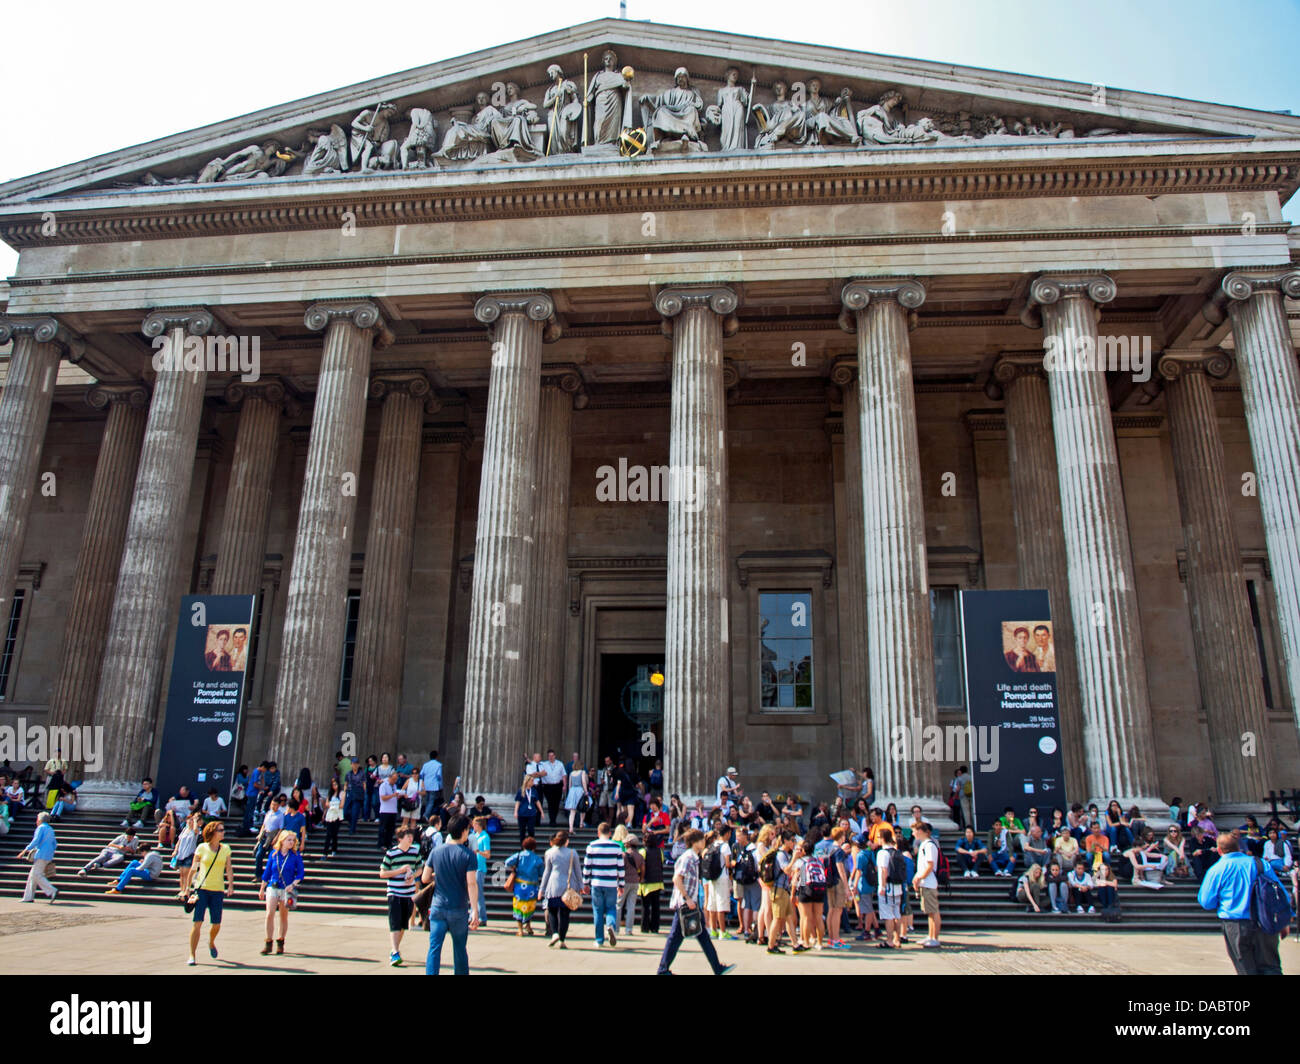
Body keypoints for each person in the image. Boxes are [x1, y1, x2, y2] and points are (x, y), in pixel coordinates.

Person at [1197, 832, 1288, 975]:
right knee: (1271, 967)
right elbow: (1280, 893)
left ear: (1219, 850)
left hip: (1236, 924)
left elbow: (1207, 902)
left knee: (1246, 970)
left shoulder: (1217, 870)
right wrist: (1286, 919)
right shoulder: (1260, 864)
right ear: (1239, 848)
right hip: (1264, 921)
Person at [656, 828, 735, 975]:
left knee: (695, 936)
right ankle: (663, 969)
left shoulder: (694, 857)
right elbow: (677, 879)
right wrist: (687, 898)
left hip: (689, 903)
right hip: (685, 904)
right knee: (679, 937)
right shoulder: (688, 858)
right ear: (695, 842)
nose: (704, 842)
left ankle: (717, 968)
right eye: (702, 840)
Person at [419, 814, 480, 975]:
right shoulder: (468, 855)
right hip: (458, 908)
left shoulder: (436, 852)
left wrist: (439, 875)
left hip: (438, 906)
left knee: (434, 948)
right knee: (459, 949)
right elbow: (471, 883)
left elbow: (425, 878)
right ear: (464, 831)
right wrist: (475, 909)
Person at [187, 821, 234, 965]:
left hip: (218, 889)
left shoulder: (225, 849)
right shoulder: (201, 848)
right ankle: (192, 955)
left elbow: (229, 868)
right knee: (197, 922)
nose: (223, 832)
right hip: (202, 889)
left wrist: (231, 885)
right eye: (220, 830)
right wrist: (187, 887)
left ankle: (211, 941)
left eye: (223, 829)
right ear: (213, 832)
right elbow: (194, 868)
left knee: (216, 924)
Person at [380, 826, 422, 966]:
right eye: (407, 836)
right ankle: (395, 950)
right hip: (394, 892)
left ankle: (395, 949)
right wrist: (400, 871)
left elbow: (420, 868)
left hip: (409, 893)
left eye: (411, 836)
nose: (410, 839)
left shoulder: (414, 852)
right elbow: (382, 873)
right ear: (400, 839)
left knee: (403, 923)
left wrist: (413, 876)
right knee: (395, 922)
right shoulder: (391, 853)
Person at [259, 830, 304, 955]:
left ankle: (281, 941)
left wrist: (293, 884)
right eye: (288, 840)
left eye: (293, 840)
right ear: (282, 841)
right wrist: (262, 887)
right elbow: (267, 871)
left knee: (283, 915)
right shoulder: (274, 854)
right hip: (273, 886)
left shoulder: (295, 855)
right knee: (270, 913)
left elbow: (300, 873)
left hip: (286, 888)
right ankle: (268, 941)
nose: (291, 842)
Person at [583, 821, 626, 947]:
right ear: (610, 833)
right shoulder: (616, 847)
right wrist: (621, 885)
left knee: (598, 911)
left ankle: (599, 939)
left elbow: (587, 867)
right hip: (611, 883)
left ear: (598, 832)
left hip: (596, 882)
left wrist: (585, 883)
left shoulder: (591, 846)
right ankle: (611, 925)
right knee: (611, 908)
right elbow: (621, 868)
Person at [539, 829, 583, 948]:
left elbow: (546, 872)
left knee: (552, 911)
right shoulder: (573, 853)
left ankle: (554, 933)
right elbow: (578, 871)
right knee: (565, 914)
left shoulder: (549, 852)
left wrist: (541, 889)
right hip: (568, 886)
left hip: (553, 885)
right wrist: (581, 886)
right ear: (566, 841)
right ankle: (562, 939)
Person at [504, 835, 545, 936]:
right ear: (534, 847)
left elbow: (506, 862)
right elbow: (542, 873)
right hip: (532, 886)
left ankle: (520, 929)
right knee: (529, 906)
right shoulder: (537, 859)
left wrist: (514, 868)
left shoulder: (518, 855)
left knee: (518, 906)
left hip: (519, 886)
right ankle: (528, 925)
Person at [913, 821, 942, 947]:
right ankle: (930, 935)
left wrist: (920, 877)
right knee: (929, 911)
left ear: (920, 831)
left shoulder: (929, 845)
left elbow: (930, 865)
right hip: (925, 882)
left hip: (929, 882)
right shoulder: (924, 844)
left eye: (914, 831)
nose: (913, 834)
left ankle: (935, 937)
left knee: (933, 910)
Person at [18, 811, 59, 903]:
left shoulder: (41, 828)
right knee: (32, 876)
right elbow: (55, 844)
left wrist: (25, 850)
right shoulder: (50, 829)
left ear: (40, 820)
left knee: (37, 875)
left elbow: (36, 840)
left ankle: (52, 890)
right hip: (48, 854)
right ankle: (28, 896)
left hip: (41, 853)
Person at [875, 827, 905, 949]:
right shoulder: (896, 851)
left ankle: (889, 940)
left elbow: (883, 870)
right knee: (897, 914)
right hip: (897, 886)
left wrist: (882, 886)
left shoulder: (882, 853)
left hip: (887, 888)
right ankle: (897, 939)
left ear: (882, 838)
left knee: (888, 915)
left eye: (878, 837)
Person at [251, 794, 286, 882]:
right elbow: (264, 824)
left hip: (273, 837)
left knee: (272, 858)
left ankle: (270, 876)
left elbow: (281, 828)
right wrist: (260, 834)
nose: (273, 806)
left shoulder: (280, 815)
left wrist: (276, 839)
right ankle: (258, 875)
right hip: (265, 836)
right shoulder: (268, 813)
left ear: (278, 805)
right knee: (259, 855)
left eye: (275, 805)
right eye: (272, 804)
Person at [173, 811, 202, 898]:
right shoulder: (185, 830)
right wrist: (175, 850)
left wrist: (196, 820)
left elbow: (196, 830)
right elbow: (179, 841)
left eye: (191, 820)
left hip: (189, 854)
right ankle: (181, 890)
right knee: (181, 874)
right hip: (181, 854)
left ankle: (186, 890)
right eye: (189, 820)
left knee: (187, 873)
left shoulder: (195, 831)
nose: (190, 821)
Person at [377, 768, 400, 852]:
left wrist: (397, 796)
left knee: (391, 828)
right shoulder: (384, 785)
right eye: (394, 779)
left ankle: (388, 843)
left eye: (396, 779)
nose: (395, 781)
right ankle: (381, 843)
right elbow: (383, 797)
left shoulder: (394, 786)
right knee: (383, 828)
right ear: (390, 778)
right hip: (385, 810)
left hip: (393, 810)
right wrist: (392, 795)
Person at [514, 775, 542, 844]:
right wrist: (515, 812)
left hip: (531, 813)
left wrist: (541, 811)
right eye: (532, 780)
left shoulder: (534, 790)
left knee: (531, 830)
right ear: (527, 781)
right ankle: (522, 847)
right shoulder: (521, 790)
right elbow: (518, 802)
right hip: (522, 813)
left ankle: (531, 846)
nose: (533, 782)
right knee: (522, 831)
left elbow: (537, 801)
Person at [564, 758, 588, 833]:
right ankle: (581, 823)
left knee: (572, 811)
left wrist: (569, 793)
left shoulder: (571, 773)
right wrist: (586, 791)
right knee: (583, 807)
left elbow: (569, 784)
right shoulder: (582, 772)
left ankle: (570, 827)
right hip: (580, 790)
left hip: (572, 791)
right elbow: (583, 782)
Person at [322, 778, 344, 857]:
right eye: (333, 785)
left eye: (336, 784)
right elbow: (326, 804)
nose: (334, 786)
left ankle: (334, 849)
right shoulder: (330, 793)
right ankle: (325, 852)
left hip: (337, 815)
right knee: (328, 834)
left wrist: (332, 805)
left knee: (334, 834)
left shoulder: (341, 793)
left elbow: (341, 805)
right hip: (329, 815)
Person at [419, 750, 443, 819]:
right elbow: (439, 776)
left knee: (427, 801)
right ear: (436, 756)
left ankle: (426, 814)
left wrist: (422, 784)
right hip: (434, 785)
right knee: (431, 802)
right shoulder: (439, 765)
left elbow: (421, 774)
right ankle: (426, 815)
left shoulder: (425, 765)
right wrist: (440, 786)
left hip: (426, 785)